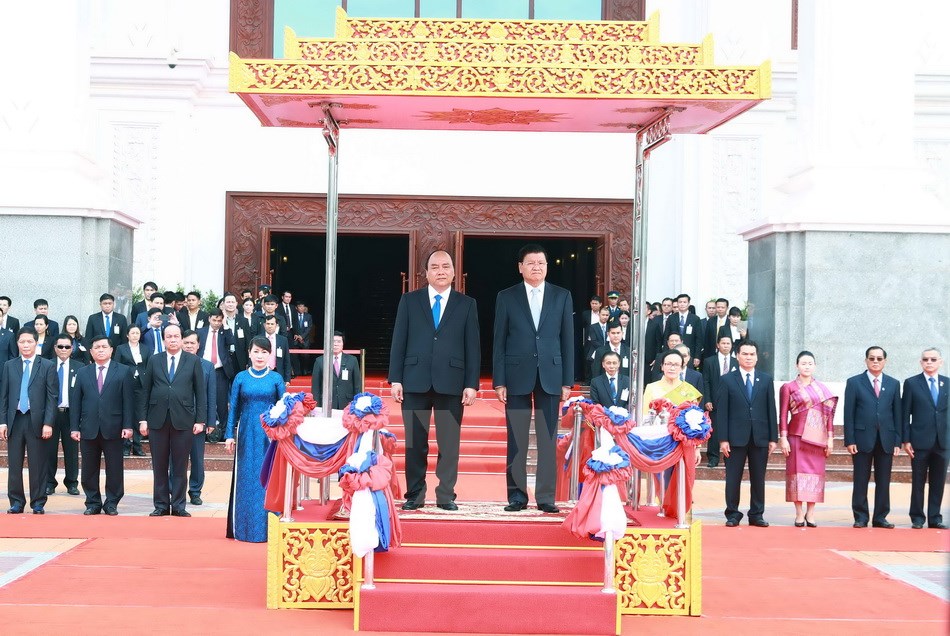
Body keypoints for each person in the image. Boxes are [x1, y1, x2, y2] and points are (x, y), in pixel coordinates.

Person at [389, 250, 480, 511]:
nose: (441, 271)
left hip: (452, 382)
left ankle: (445, 495)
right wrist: (396, 378)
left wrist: (471, 383)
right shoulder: (409, 301)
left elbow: (472, 346)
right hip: (414, 380)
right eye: (435, 267)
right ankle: (414, 495)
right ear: (426, 273)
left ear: (454, 272)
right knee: (415, 443)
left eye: (446, 266)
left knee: (449, 444)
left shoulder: (466, 304)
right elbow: (399, 340)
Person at [493, 244, 573, 514]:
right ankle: (516, 496)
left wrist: (567, 381)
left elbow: (568, 340)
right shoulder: (506, 297)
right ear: (520, 267)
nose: (536, 267)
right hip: (516, 374)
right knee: (516, 437)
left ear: (547, 267)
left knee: (547, 436)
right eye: (531, 263)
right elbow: (499, 341)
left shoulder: (562, 296)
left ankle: (546, 497)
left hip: (551, 373)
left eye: (541, 262)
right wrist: (499, 380)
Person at [138, 324, 207, 517]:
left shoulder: (192, 361)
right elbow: (145, 391)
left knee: (180, 464)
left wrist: (200, 420)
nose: (173, 340)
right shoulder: (154, 360)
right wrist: (142, 419)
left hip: (183, 419)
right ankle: (160, 505)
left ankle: (178, 505)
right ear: (164, 339)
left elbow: (200, 393)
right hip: (157, 420)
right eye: (169, 336)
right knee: (159, 465)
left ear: (181, 339)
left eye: (177, 336)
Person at [225, 336, 285, 542]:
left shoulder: (276, 379)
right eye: (256, 352)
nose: (260, 356)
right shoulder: (241, 377)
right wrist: (228, 435)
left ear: (270, 355)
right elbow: (234, 408)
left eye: (264, 352)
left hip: (269, 435)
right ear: (249, 353)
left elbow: (284, 408)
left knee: (267, 477)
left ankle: (269, 528)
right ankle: (243, 528)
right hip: (246, 432)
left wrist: (283, 433)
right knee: (246, 478)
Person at [69, 335, 135, 515]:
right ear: (90, 351)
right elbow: (76, 402)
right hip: (88, 428)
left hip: (114, 428)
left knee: (114, 468)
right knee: (89, 468)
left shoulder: (123, 371)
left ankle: (112, 502)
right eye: (96, 347)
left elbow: (128, 401)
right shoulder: (83, 372)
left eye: (104, 346)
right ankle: (92, 502)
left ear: (111, 350)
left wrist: (128, 426)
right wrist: (74, 427)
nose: (100, 350)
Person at [717, 341, 778, 527]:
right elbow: (722, 411)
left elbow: (771, 409)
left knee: (759, 478)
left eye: (752, 354)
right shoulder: (727, 379)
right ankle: (733, 514)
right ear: (737, 356)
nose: (749, 357)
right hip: (735, 438)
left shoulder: (766, 379)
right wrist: (723, 439)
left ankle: (757, 514)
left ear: (757, 357)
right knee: (733, 477)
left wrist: (773, 438)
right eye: (745, 354)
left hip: (760, 437)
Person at [0, 327, 58, 514]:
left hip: (38, 421)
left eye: (29, 341)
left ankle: (38, 502)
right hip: (15, 420)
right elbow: (4, 396)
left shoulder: (47, 365)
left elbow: (52, 397)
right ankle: (16, 501)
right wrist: (2, 422)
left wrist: (48, 423)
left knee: (38, 463)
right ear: (17, 343)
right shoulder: (9, 365)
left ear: (36, 343)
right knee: (14, 464)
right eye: (22, 342)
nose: (25, 345)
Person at [843, 346, 902, 529]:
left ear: (885, 361)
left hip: (886, 439)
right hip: (861, 439)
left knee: (883, 480)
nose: (875, 361)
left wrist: (897, 441)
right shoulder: (854, 383)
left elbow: (897, 414)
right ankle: (860, 516)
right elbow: (849, 413)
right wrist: (849, 440)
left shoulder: (893, 383)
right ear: (866, 360)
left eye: (879, 358)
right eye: (871, 358)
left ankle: (880, 517)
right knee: (861, 479)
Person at [778, 351, 838, 527]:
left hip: (818, 439)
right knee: (796, 473)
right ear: (797, 365)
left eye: (810, 363)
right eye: (803, 363)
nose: (807, 366)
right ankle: (798, 513)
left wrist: (831, 439)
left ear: (815, 366)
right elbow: (782, 415)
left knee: (815, 474)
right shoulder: (788, 387)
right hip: (796, 436)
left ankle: (811, 513)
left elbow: (828, 418)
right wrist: (783, 438)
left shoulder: (822, 390)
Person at [902, 348, 948, 529]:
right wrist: (906, 440)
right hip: (919, 441)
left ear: (940, 362)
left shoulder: (948, 383)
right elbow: (905, 414)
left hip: (943, 442)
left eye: (933, 359)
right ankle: (917, 517)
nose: (929, 362)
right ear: (921, 362)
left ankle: (935, 518)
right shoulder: (912, 383)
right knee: (918, 481)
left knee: (938, 482)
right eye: (925, 359)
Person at [179, 330, 217, 505]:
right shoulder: (173, 364)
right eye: (185, 342)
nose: (188, 346)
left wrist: (209, 421)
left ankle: (195, 491)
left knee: (196, 459)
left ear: (198, 345)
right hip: (176, 419)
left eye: (192, 343)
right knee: (176, 458)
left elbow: (211, 395)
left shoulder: (207, 366)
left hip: (198, 421)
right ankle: (176, 490)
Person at [45, 334, 85, 496]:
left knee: (72, 451)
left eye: (67, 347)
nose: (63, 350)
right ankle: (49, 482)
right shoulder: (47, 365)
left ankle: (72, 483)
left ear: (72, 348)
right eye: (60, 346)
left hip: (71, 414)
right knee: (49, 450)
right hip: (51, 415)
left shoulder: (80, 367)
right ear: (55, 348)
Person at [701, 334, 737, 468]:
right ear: (718, 345)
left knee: (732, 429)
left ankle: (730, 457)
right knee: (714, 430)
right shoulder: (710, 361)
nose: (726, 346)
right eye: (723, 343)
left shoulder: (736, 362)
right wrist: (707, 399)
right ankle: (713, 458)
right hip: (714, 402)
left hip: (732, 402)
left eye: (728, 343)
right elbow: (706, 381)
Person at [115, 324, 148, 456]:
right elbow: (117, 365)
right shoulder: (121, 348)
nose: (135, 335)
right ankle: (125, 445)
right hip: (126, 383)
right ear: (127, 335)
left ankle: (137, 444)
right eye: (133, 333)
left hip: (141, 384)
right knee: (126, 412)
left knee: (139, 414)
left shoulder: (145, 349)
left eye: (137, 333)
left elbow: (149, 365)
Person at [313, 331, 362, 410]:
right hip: (326, 404)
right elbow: (316, 387)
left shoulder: (352, 360)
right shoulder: (320, 361)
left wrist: (357, 404)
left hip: (347, 403)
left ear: (343, 344)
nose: (335, 344)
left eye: (339, 341)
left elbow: (357, 385)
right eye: (333, 342)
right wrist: (317, 407)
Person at [663, 293, 703, 368]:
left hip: (689, 354)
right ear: (677, 303)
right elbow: (666, 336)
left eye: (684, 302)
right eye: (680, 302)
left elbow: (698, 339)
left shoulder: (695, 319)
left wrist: (697, 356)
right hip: (673, 353)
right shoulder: (671, 318)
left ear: (688, 304)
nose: (682, 304)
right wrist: (665, 353)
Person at [260, 314, 291, 381]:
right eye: (268, 324)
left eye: (272, 324)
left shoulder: (283, 340)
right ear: (264, 325)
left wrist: (287, 379)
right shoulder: (258, 339)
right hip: (261, 371)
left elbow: (287, 360)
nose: (270, 326)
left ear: (276, 326)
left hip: (278, 372)